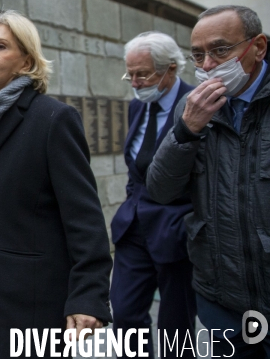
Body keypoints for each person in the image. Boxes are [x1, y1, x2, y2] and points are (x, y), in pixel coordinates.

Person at [0, 10, 113, 359]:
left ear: (26, 61)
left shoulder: (53, 119)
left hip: (29, 299)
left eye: (0, 46)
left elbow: (85, 220)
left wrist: (88, 297)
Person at [147, 5, 270, 357]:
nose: (208, 66)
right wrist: (186, 130)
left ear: (258, 47)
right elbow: (161, 189)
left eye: (220, 51)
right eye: (198, 55)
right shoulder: (191, 105)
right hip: (220, 294)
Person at [110, 32, 196, 357]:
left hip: (176, 234)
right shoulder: (137, 107)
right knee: (125, 315)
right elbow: (136, 169)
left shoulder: (197, 103)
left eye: (142, 73)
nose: (134, 82)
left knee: (177, 329)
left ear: (170, 69)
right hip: (133, 230)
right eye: (129, 74)